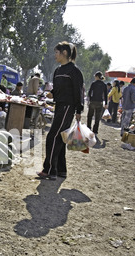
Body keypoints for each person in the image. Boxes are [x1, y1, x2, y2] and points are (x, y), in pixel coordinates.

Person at [37, 41, 84, 180]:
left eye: (57, 53)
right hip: (59, 106)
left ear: (64, 53)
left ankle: (49, 170)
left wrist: (78, 110)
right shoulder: (58, 71)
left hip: (68, 107)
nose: (55, 56)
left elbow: (78, 92)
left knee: (53, 136)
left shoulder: (74, 71)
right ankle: (61, 170)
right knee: (61, 137)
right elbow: (57, 90)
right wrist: (51, 94)